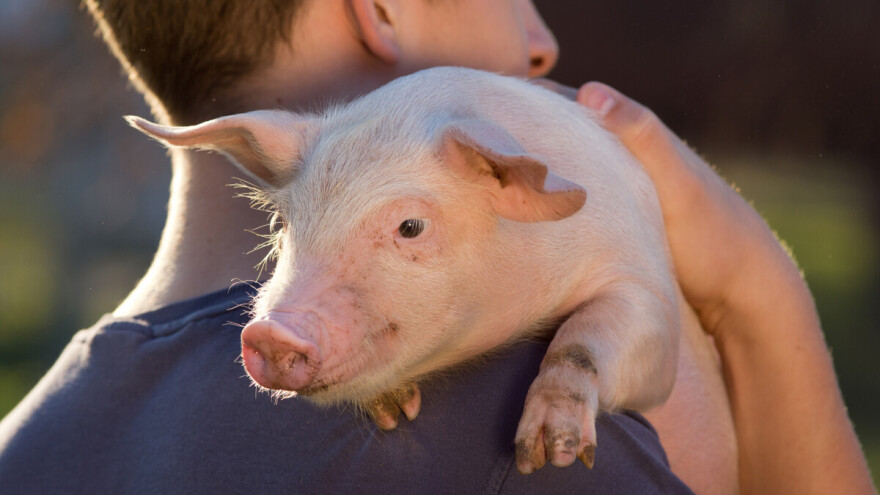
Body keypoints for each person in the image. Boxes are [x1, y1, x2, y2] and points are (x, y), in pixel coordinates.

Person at [0, 0, 873, 493]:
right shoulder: (535, 436)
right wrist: (758, 289)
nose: (542, 44)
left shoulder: (28, 448)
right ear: (379, 9)